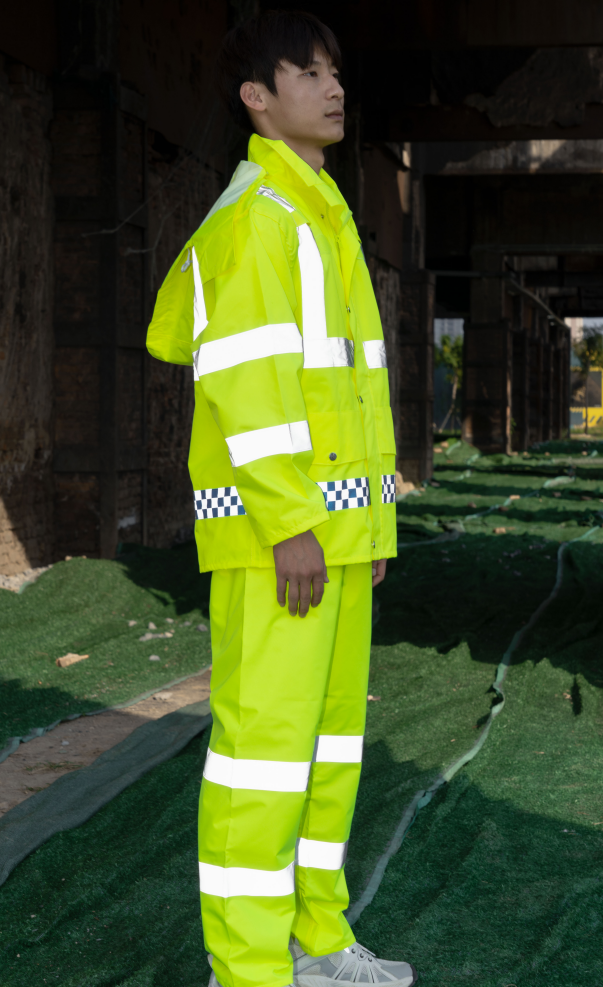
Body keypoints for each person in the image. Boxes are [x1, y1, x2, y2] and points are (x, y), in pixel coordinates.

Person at [147, 10, 416, 987]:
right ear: (257, 99)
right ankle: (247, 970)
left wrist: (370, 517)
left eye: (336, 70)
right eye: (308, 72)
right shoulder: (257, 218)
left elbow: (351, 385)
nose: (332, 86)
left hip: (339, 532)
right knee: (263, 757)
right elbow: (247, 384)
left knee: (328, 749)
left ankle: (319, 941)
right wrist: (291, 521)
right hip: (281, 539)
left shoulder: (323, 212)